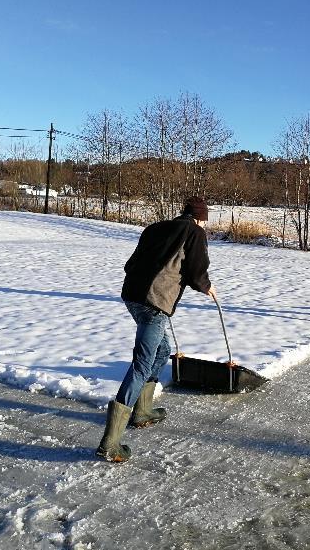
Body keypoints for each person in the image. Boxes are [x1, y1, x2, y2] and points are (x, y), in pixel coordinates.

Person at [97, 196, 216, 462]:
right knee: (142, 364)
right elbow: (197, 271)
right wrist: (207, 287)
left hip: (132, 296)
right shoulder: (194, 231)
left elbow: (130, 265)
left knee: (163, 350)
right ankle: (110, 443)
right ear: (200, 218)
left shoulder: (155, 228)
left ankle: (142, 411)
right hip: (154, 302)